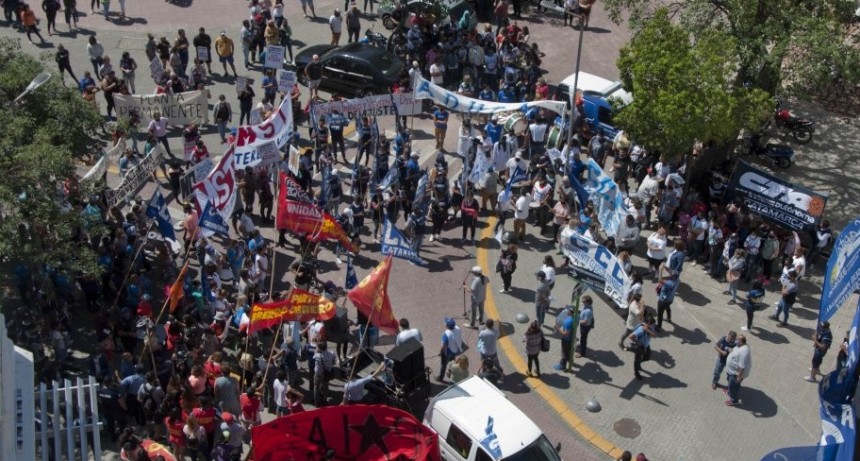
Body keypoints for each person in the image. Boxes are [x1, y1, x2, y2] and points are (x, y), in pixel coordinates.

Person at [724, 334, 751, 406]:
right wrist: (730, 350)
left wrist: (739, 377)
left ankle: (734, 400)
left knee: (733, 386)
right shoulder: (740, 346)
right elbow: (735, 351)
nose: (736, 340)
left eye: (737, 340)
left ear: (741, 342)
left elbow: (742, 366)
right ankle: (730, 391)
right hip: (731, 371)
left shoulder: (743, 352)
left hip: (735, 374)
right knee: (731, 384)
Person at [627, 316, 655, 380]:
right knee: (637, 360)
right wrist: (638, 343)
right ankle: (636, 372)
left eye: (653, 324)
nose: (652, 326)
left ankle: (639, 363)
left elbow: (654, 335)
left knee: (647, 357)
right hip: (639, 347)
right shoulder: (641, 330)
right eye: (651, 324)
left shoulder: (650, 327)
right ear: (647, 323)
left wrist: (648, 330)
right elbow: (631, 336)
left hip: (646, 345)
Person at [437, 317, 463, 382]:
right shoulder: (457, 329)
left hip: (448, 352)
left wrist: (440, 353)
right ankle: (452, 374)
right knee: (452, 362)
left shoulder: (446, 334)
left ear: (447, 326)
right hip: (455, 350)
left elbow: (443, 347)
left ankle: (440, 377)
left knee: (444, 365)